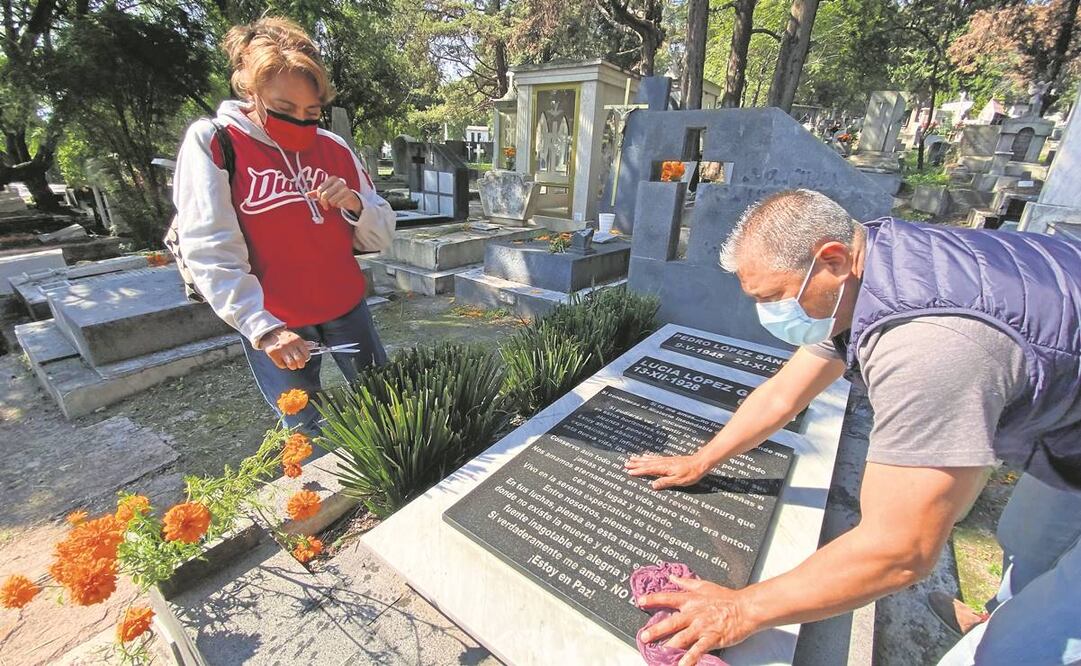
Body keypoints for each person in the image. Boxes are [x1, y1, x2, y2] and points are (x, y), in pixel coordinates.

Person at [624, 189, 1081, 666]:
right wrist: (704, 459)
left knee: (1020, 652)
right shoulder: (872, 268)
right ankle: (1001, 612)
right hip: (1067, 435)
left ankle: (1007, 639)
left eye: (774, 297)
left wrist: (742, 609)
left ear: (834, 260)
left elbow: (901, 549)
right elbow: (784, 394)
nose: (770, 315)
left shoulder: (929, 347)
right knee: (1029, 539)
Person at [173, 17, 395, 432]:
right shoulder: (217, 142)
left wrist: (355, 204)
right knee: (303, 424)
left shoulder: (333, 147)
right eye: (284, 109)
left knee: (385, 402)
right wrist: (262, 328)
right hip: (278, 319)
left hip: (346, 305)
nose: (301, 122)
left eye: (312, 111)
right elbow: (209, 246)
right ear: (251, 92)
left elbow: (381, 232)